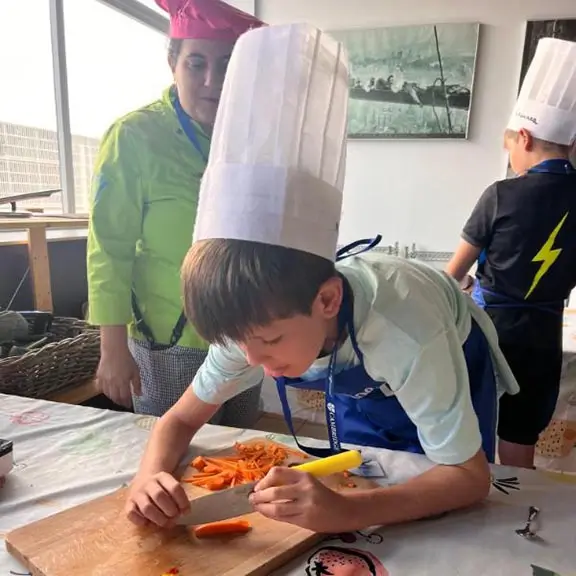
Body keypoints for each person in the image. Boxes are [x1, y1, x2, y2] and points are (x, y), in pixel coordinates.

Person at [124, 23, 519, 533]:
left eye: (268, 342)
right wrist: (148, 477)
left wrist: (348, 513)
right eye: (241, 345)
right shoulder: (250, 323)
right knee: (360, 467)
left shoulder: (406, 333)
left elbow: (468, 477)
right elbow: (177, 420)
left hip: (448, 347)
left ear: (328, 299)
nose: (256, 365)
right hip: (360, 361)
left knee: (438, 494)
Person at [86, 0, 265, 425]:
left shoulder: (253, 138)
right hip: (170, 341)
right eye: (196, 63)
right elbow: (109, 248)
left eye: (226, 65)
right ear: (173, 63)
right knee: (174, 460)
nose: (212, 80)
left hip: (246, 334)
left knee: (242, 457)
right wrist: (112, 349)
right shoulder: (134, 136)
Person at [446, 38, 576, 469]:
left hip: (491, 333)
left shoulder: (501, 194)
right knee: (521, 445)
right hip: (544, 337)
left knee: (470, 441)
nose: (512, 161)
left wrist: (462, 286)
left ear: (525, 135)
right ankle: (522, 528)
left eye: (512, 151)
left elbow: (453, 275)